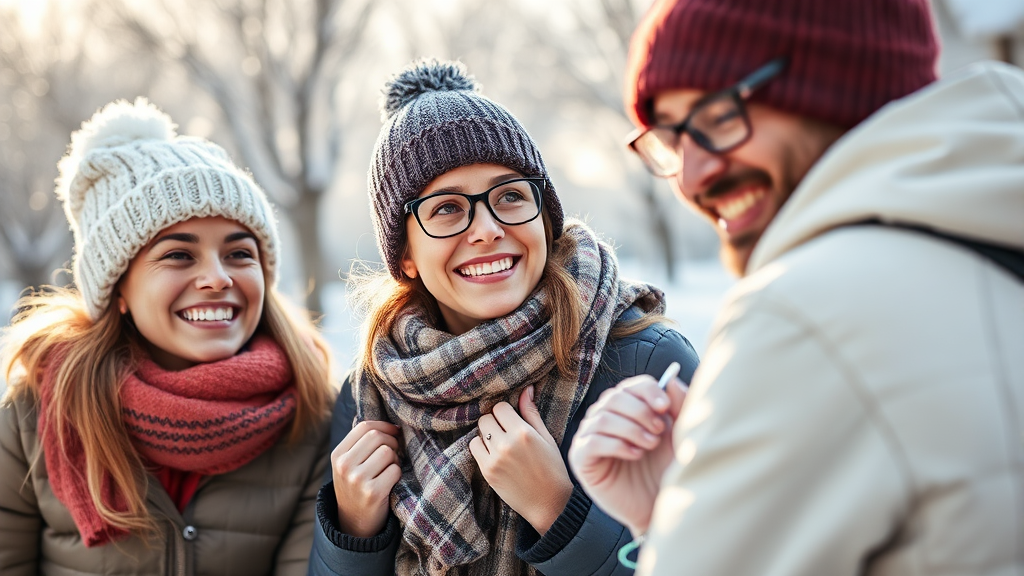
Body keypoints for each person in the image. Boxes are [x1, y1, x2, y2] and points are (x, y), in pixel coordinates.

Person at [569, 0, 1024, 574]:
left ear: (833, 81)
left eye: (715, 118)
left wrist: (670, 531)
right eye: (672, 140)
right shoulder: (991, 237)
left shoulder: (805, 315)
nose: (693, 176)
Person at [306, 59, 700, 576]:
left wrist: (558, 512)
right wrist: (354, 534)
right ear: (405, 255)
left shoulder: (646, 360)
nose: (488, 228)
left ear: (545, 216)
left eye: (510, 196)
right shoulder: (373, 391)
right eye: (447, 208)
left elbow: (724, 556)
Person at [0, 98, 336, 575]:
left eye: (239, 254)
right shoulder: (34, 418)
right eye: (179, 255)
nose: (217, 278)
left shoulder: (311, 413)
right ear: (117, 289)